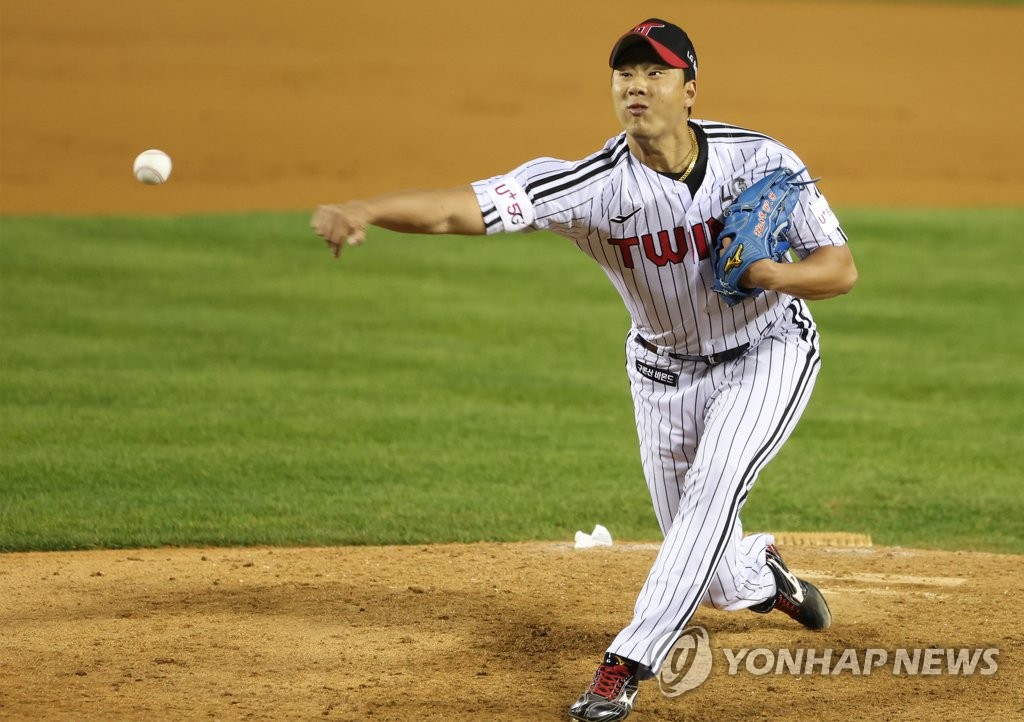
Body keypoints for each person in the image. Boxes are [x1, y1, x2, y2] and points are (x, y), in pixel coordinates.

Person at [311, 18, 857, 722]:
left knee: (711, 493)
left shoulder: (760, 161)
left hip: (767, 353)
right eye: (625, 74)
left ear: (689, 90)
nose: (636, 85)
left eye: (654, 73)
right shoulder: (593, 187)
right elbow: (460, 212)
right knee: (716, 572)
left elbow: (839, 268)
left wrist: (770, 272)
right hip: (662, 377)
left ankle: (624, 665)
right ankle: (762, 575)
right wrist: (367, 209)